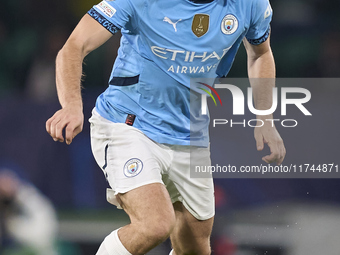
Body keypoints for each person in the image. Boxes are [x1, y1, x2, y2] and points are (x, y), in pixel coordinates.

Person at [46, 0, 286, 254]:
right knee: (155, 224)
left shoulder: (250, 4)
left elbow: (261, 53)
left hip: (190, 134)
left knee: (195, 246)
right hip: (128, 124)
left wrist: (265, 117)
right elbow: (74, 46)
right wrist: (71, 105)